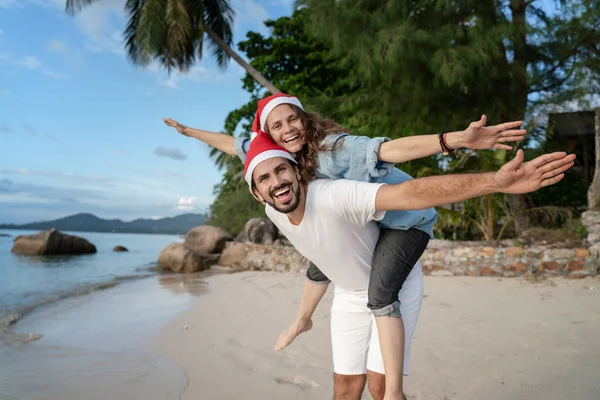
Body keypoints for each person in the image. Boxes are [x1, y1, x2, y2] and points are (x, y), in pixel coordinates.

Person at [163, 93, 527, 397]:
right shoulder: (275, 171)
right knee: (322, 249)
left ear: (305, 119)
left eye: (293, 119)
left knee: (381, 300)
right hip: (358, 239)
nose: (288, 129)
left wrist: (454, 141)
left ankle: (395, 393)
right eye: (277, 125)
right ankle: (303, 320)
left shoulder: (334, 152)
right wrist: (188, 131)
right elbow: (231, 144)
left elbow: (394, 156)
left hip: (405, 222)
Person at [242, 131, 574, 400]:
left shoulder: (331, 195)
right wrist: (302, 318)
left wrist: (494, 181)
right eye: (265, 178)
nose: (277, 181)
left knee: (380, 388)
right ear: (258, 194)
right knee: (344, 390)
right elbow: (320, 258)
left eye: (282, 169)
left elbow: (412, 194)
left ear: (296, 170)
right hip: (348, 296)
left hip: (393, 285)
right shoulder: (275, 211)